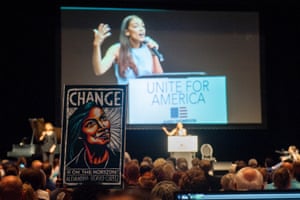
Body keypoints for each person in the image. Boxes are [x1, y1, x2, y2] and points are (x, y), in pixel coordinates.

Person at [92, 14, 164, 85]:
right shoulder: (117, 49)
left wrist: (154, 54)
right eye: (136, 26)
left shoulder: (149, 48)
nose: (141, 29)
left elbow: (159, 78)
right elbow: (99, 70)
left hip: (146, 94)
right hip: (126, 93)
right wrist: (96, 45)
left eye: (143, 26)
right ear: (127, 32)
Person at [66, 101, 120, 168]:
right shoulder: (71, 168)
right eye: (91, 124)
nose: (102, 126)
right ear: (79, 134)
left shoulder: (119, 161)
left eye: (103, 118)